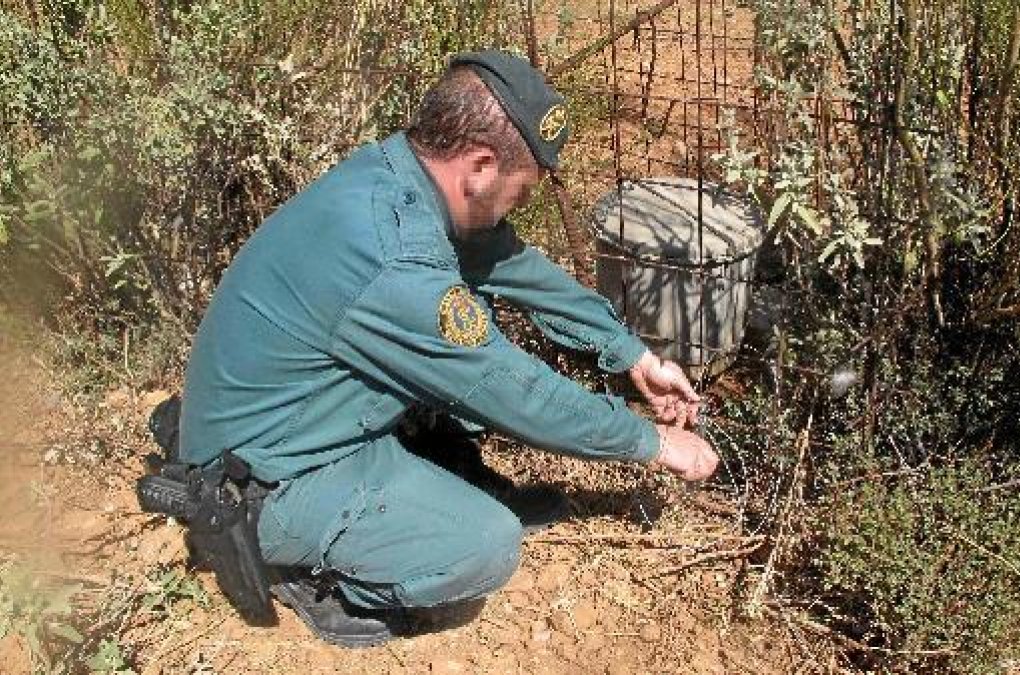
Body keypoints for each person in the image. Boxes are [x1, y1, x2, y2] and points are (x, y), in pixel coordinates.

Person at [177, 49, 718, 647]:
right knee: (483, 545)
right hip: (260, 482)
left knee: (469, 318)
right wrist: (654, 442)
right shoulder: (396, 253)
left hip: (290, 424)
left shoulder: (399, 178)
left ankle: (430, 474)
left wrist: (632, 354)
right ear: (481, 166)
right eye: (518, 196)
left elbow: (518, 269)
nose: (517, 211)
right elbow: (507, 387)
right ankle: (303, 570)